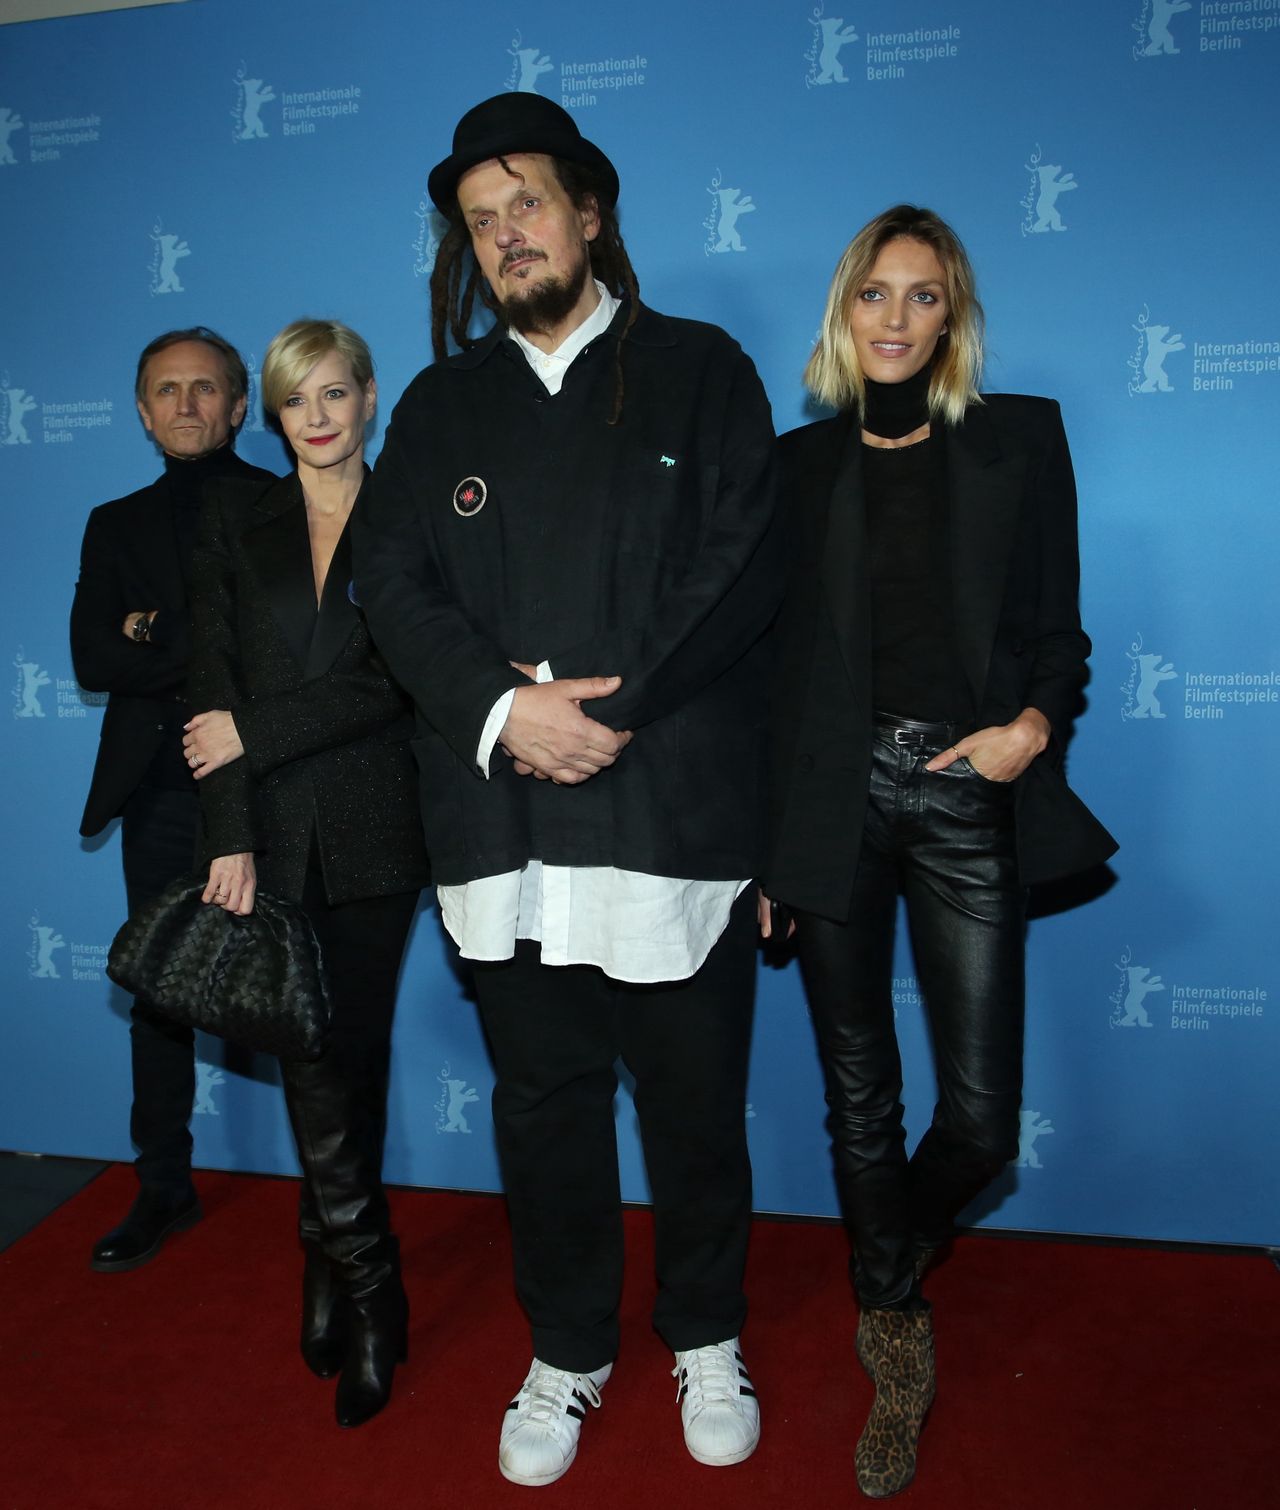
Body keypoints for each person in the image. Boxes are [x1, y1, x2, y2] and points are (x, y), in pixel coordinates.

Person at [353, 94, 779, 1487]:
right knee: (542, 1104)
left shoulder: (703, 369)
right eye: (480, 223)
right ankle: (570, 1347)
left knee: (696, 1102)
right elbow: (391, 588)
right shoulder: (436, 406)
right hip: (506, 825)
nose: (506, 236)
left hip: (671, 813)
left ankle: (706, 1329)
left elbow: (739, 569)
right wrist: (504, 709)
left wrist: (614, 709)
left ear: (589, 211)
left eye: (526, 203)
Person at [761, 206, 1116, 1499]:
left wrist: (1031, 724)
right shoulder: (795, 469)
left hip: (967, 787)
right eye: (875, 293)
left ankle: (879, 1262)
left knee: (977, 1112)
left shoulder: (1019, 440)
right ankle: (895, 1339)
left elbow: (1059, 628)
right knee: (859, 1089)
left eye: (924, 296)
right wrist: (768, 850)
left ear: (952, 316)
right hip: (829, 794)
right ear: (843, 312)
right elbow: (771, 671)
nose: (897, 318)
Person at [183, 319, 428, 1428]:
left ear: (369, 399)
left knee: (349, 1054)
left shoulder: (412, 518)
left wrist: (251, 732)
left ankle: (337, 1258)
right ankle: (363, 1280)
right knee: (310, 1050)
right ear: (271, 415)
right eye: (295, 400)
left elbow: (392, 682)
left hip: (379, 829)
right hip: (270, 835)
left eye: (335, 394)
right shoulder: (242, 525)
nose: (318, 417)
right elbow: (209, 690)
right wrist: (227, 830)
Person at [71, 327, 276, 1273]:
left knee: (294, 986)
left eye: (206, 388)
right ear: (143, 410)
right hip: (157, 792)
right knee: (157, 995)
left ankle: (333, 1200)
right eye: (167, 389)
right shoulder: (115, 522)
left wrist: (150, 623)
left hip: (274, 791)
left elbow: (279, 657)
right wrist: (196, 635)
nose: (186, 405)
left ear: (240, 407)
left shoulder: (285, 506)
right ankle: (164, 1186)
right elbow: (91, 656)